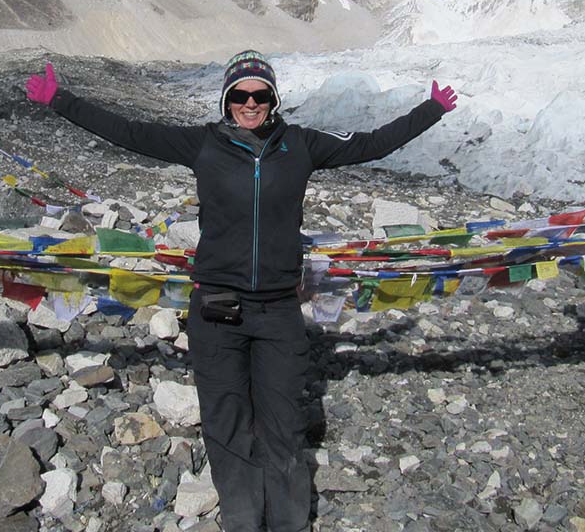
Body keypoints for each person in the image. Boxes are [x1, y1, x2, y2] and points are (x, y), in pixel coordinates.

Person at [25, 50, 457, 531]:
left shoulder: (302, 144)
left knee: (285, 426)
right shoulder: (202, 144)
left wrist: (430, 109)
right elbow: (130, 132)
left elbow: (371, 144)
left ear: (272, 98)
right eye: (240, 94)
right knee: (226, 423)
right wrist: (61, 101)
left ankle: (288, 524)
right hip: (216, 305)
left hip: (277, 309)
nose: (250, 103)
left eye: (259, 94)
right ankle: (243, 522)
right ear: (227, 98)